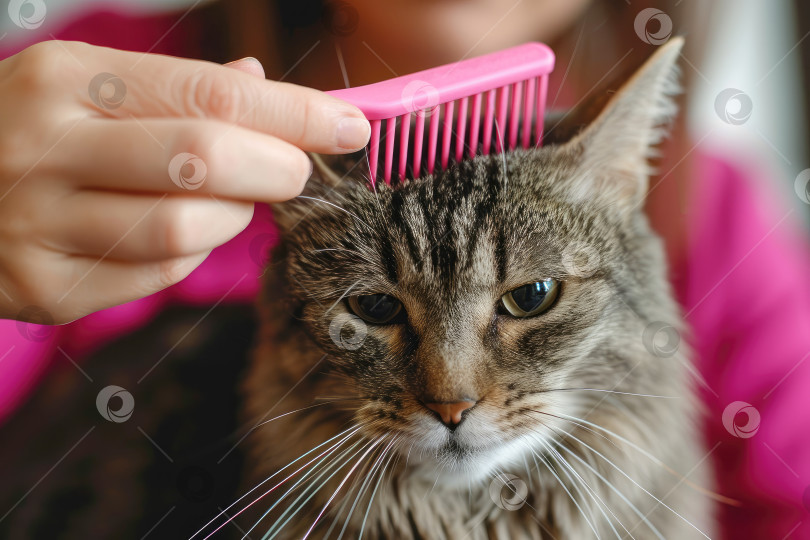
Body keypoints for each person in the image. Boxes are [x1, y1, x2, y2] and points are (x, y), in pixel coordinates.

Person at [1, 1, 809, 538]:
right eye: (380, 312)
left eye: (529, 297)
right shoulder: (85, 95)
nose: (450, 393)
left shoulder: (716, 206)